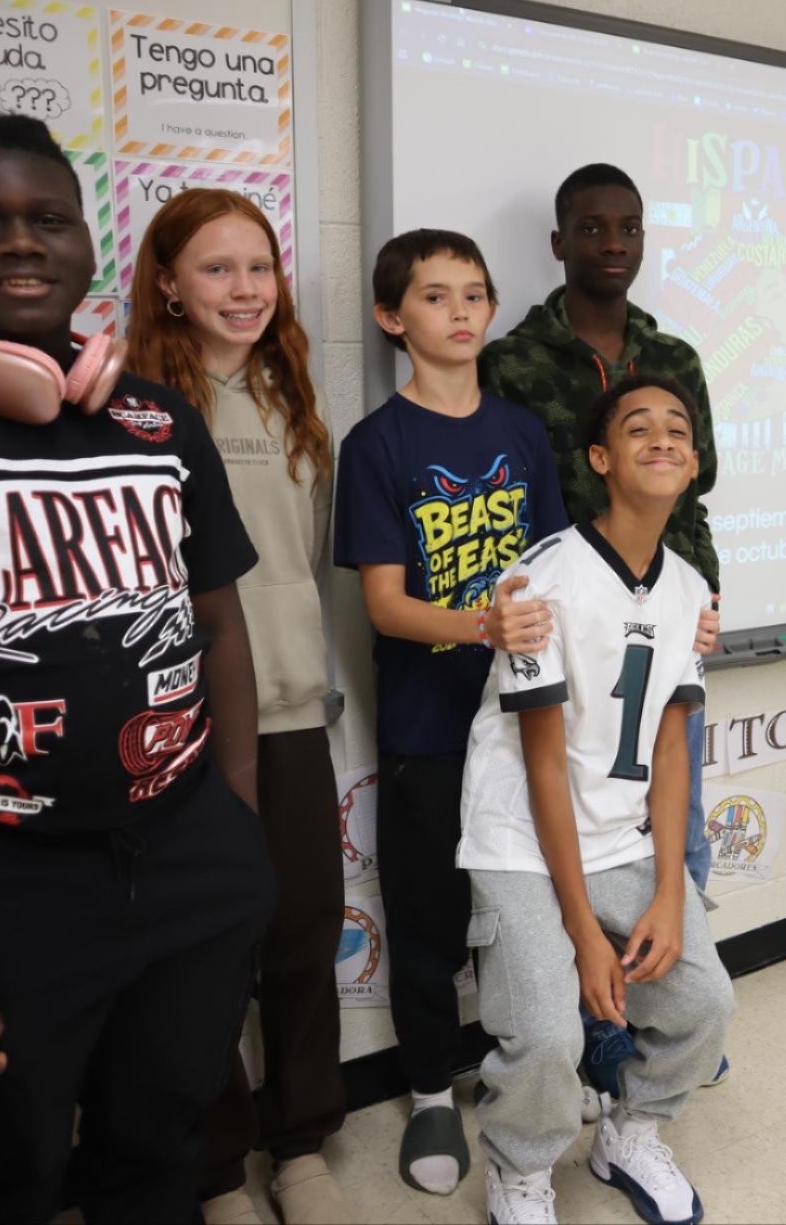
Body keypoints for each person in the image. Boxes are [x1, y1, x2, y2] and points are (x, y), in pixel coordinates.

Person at [0, 108, 274, 1221]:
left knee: (166, 1149)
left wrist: (235, 836)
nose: (21, 242)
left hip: (187, 864)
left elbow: (219, 627)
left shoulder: (157, 420)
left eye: (49, 219)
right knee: (0, 1178)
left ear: (87, 244)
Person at [460, 377, 736, 1225]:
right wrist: (585, 933)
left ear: (693, 462)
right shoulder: (541, 582)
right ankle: (522, 1169)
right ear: (600, 458)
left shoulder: (690, 590)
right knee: (550, 1031)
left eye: (678, 430)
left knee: (702, 1002)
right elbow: (544, 769)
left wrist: (667, 894)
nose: (662, 439)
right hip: (522, 840)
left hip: (622, 839)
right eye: (638, 427)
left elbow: (668, 745)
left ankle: (631, 1131)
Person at [126, 188, 350, 1223]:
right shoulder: (125, 410)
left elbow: (302, 566)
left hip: (292, 713)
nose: (244, 289)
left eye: (258, 267)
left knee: (301, 935)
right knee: (200, 955)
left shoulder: (295, 401)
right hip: (180, 728)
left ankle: (301, 1148)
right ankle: (218, 1170)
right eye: (217, 269)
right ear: (167, 283)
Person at [479, 162, 725, 1092]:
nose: (612, 244)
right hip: (563, 623)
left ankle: (659, 1018)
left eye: (628, 228)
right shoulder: (512, 359)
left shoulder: (677, 358)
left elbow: (693, 495)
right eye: (591, 228)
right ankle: (583, 1038)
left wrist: (699, 606)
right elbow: (510, 510)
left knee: (675, 838)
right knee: (559, 813)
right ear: (560, 242)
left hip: (665, 621)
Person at [333, 229, 567, 1197]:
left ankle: (538, 1064)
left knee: (531, 911)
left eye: (474, 293)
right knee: (428, 914)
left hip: (524, 720)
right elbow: (385, 604)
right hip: (430, 721)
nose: (462, 311)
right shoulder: (375, 443)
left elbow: (558, 567)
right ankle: (431, 1084)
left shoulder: (519, 431)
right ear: (395, 318)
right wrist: (486, 621)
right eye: (436, 296)